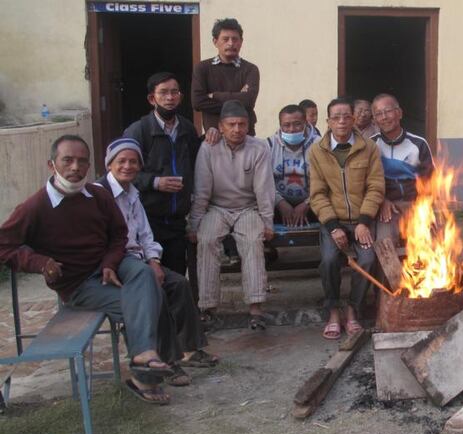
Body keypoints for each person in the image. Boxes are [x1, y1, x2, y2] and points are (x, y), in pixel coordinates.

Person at [0, 135, 176, 404]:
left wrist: (109, 263)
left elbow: (119, 234)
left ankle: (146, 360)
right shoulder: (35, 206)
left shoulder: (97, 195)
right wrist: (40, 263)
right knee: (148, 300)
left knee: (144, 274)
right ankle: (146, 371)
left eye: (82, 161)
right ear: (51, 164)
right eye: (67, 160)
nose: (75, 167)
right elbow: (4, 245)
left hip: (111, 265)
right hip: (78, 283)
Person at [96, 138, 219, 386]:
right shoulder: (99, 194)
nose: (127, 166)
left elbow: (145, 235)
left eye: (133, 162)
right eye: (121, 161)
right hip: (116, 265)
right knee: (156, 294)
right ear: (109, 164)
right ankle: (167, 361)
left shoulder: (132, 193)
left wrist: (153, 261)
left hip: (139, 260)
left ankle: (189, 349)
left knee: (179, 284)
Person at [188, 100, 275, 330]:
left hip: (247, 208)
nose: (237, 129)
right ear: (221, 126)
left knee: (253, 241)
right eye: (231, 124)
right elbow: (202, 189)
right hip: (217, 207)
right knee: (206, 240)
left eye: (242, 124)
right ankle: (208, 308)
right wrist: (195, 224)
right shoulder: (208, 148)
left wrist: (267, 222)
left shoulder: (259, 148)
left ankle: (256, 308)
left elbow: (264, 189)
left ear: (248, 126)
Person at [308, 97, 384, 340]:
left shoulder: (369, 148)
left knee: (367, 259)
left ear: (353, 119)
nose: (341, 121)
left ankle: (353, 310)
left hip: (362, 220)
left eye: (346, 116)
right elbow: (317, 194)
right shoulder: (317, 151)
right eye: (336, 117)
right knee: (329, 260)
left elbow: (375, 187)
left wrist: (364, 221)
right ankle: (333, 311)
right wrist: (333, 227)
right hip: (333, 221)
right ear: (328, 121)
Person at [123, 72, 201, 276]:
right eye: (163, 92)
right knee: (151, 276)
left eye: (174, 92)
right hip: (147, 220)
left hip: (177, 221)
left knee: (176, 275)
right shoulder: (138, 131)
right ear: (152, 98)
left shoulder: (187, 129)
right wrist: (155, 182)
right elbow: (122, 173)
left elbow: (196, 165)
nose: (170, 97)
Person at [370, 93, 435, 245]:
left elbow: (430, 179)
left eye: (388, 111)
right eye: (378, 114)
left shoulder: (418, 144)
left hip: (415, 203)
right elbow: (365, 181)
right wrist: (382, 200)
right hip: (386, 206)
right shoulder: (370, 145)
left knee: (428, 245)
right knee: (385, 245)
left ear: (399, 113)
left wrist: (421, 205)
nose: (384, 117)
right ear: (374, 120)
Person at [191, 18, 259, 144]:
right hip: (214, 137)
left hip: (245, 137)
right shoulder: (202, 68)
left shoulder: (250, 69)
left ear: (241, 42)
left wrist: (215, 95)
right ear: (215, 41)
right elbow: (198, 102)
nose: (231, 43)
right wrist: (238, 100)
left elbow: (249, 101)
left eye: (235, 39)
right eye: (225, 39)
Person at [268, 104, 320, 227]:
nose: (292, 129)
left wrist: (307, 203)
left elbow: (326, 181)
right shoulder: (269, 145)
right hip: (277, 205)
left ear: (305, 123)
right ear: (280, 125)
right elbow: (263, 182)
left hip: (312, 204)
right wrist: (280, 203)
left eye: (297, 124)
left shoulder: (319, 145)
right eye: (286, 125)